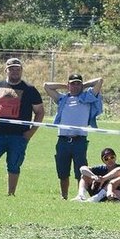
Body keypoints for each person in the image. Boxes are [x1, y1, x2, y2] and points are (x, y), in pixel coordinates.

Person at [44, 72, 104, 200]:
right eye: (73, 84)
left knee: (81, 170)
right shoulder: (62, 99)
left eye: (78, 84)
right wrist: (66, 86)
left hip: (79, 140)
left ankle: (80, 195)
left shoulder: (87, 97)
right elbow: (46, 86)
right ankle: (64, 196)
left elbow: (99, 80)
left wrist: (83, 85)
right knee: (63, 171)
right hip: (63, 140)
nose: (75, 86)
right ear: (68, 85)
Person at [0, 57, 45, 196]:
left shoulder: (30, 89)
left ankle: (11, 194)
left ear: (21, 70)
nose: (15, 71)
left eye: (17, 68)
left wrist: (31, 132)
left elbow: (39, 112)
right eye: (11, 69)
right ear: (6, 70)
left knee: (14, 165)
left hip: (18, 136)